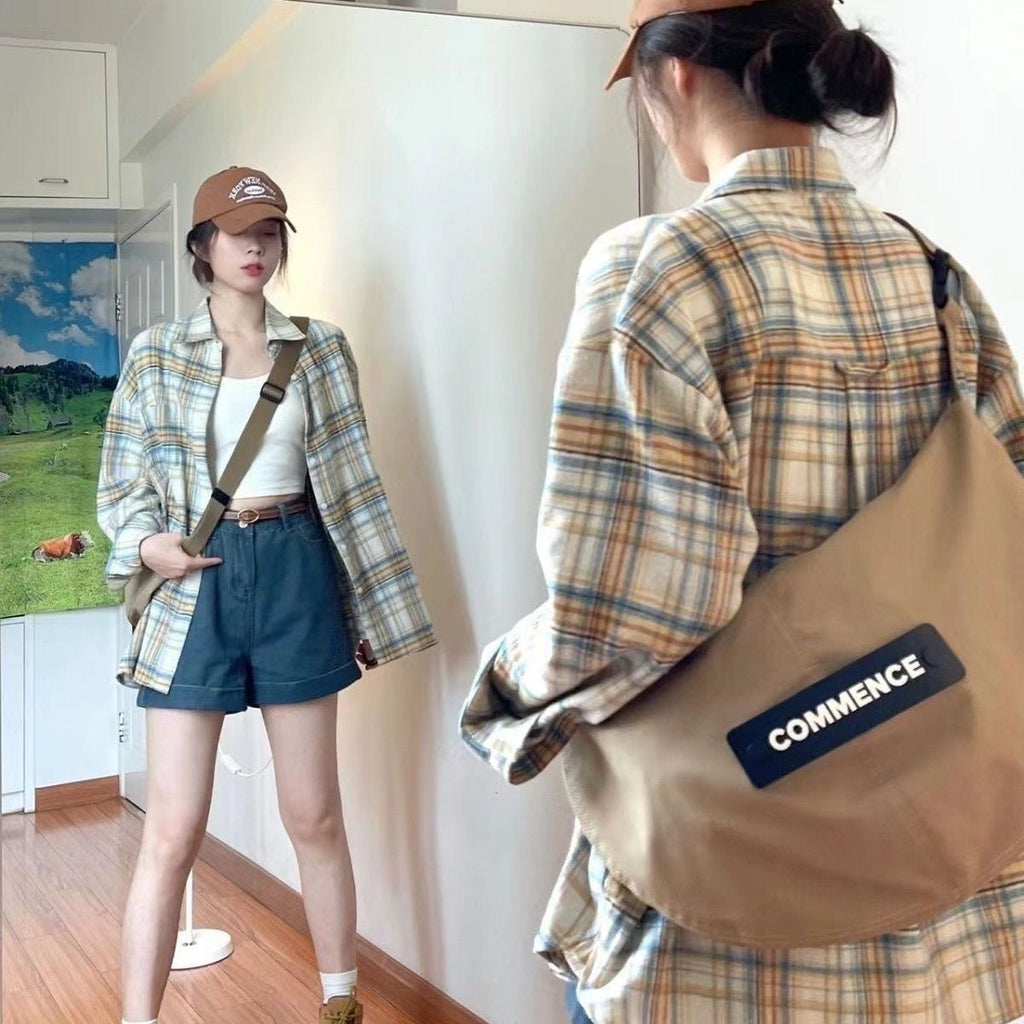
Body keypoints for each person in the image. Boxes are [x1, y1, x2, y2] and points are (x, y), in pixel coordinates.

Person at [460, 1, 1024, 1021]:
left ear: (673, 76)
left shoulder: (657, 268)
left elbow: (633, 605)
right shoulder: (938, 278)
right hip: (945, 888)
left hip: (736, 906)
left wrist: (506, 692)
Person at [98, 166, 436, 1024]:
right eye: (238, 231)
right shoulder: (156, 353)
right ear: (202, 245)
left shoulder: (320, 347)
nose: (256, 246)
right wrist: (148, 545)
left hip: (295, 571)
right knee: (173, 827)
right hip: (196, 581)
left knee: (313, 813)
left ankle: (340, 1004)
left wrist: (369, 607)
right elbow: (124, 482)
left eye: (271, 230)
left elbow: (353, 488)